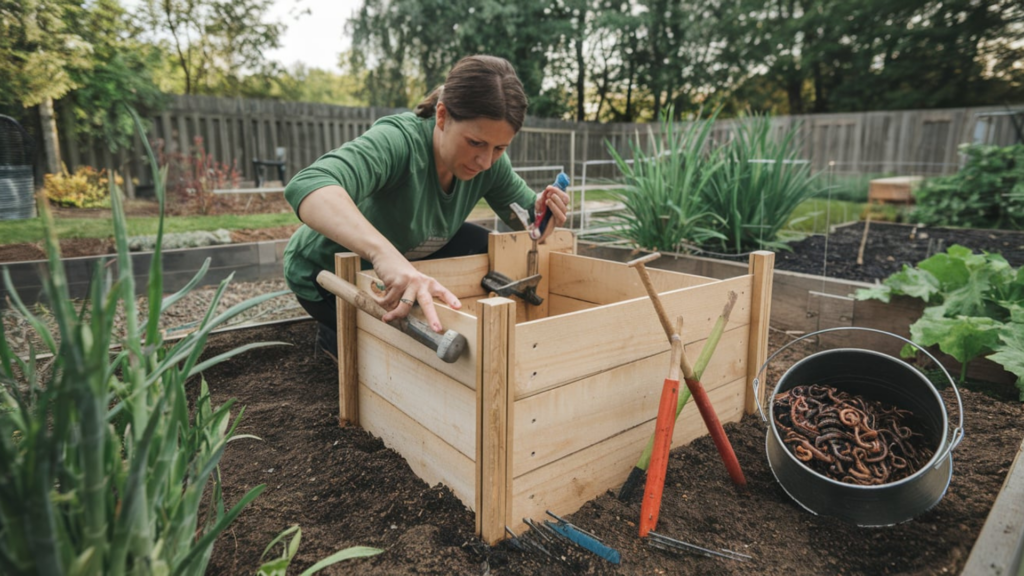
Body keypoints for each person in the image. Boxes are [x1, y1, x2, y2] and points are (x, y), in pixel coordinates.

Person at [283, 54, 570, 358]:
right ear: (442, 116)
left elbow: (527, 222)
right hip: (323, 276)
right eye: (475, 143)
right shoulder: (399, 141)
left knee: (478, 244)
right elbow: (308, 185)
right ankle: (332, 335)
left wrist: (544, 215)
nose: (485, 161)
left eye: (500, 148)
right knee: (399, 357)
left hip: (409, 257)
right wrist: (385, 256)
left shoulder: (490, 164)